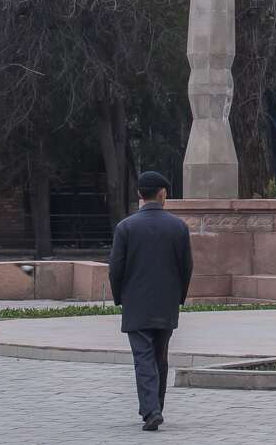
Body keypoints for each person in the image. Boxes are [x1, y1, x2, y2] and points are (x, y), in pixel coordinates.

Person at [109, 170, 192, 432]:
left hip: (136, 304)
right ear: (162, 193)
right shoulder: (178, 227)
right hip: (166, 303)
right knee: (160, 356)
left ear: (139, 195)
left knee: (143, 358)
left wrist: (119, 296)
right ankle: (156, 406)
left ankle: (152, 410)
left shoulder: (126, 227)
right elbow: (186, 266)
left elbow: (115, 268)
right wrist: (179, 296)